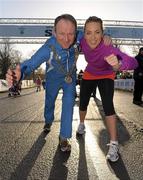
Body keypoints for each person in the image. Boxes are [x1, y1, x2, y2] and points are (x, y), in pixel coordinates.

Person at [6, 14, 111, 152]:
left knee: (69, 101)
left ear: (76, 32)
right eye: (61, 33)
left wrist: (106, 37)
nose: (67, 39)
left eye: (71, 34)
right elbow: (30, 64)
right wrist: (19, 74)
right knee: (50, 102)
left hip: (70, 77)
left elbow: (94, 35)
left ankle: (64, 137)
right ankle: (48, 120)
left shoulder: (80, 36)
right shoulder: (47, 48)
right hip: (52, 78)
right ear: (54, 32)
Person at [76, 16, 138, 162]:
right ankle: (82, 123)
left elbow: (134, 62)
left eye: (97, 32)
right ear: (83, 34)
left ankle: (114, 144)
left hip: (106, 74)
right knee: (83, 101)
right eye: (89, 33)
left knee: (108, 105)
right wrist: (54, 33)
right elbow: (72, 32)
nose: (92, 38)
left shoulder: (108, 47)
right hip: (90, 73)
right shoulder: (81, 40)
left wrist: (119, 65)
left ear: (103, 34)